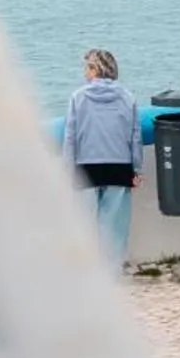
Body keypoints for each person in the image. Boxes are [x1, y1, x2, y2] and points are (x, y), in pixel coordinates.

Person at [62, 48, 140, 269]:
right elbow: (134, 137)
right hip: (119, 166)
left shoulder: (78, 98)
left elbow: (70, 138)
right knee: (114, 227)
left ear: (96, 70)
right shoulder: (128, 98)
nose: (85, 73)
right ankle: (111, 272)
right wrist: (137, 170)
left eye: (87, 67)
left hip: (86, 166)